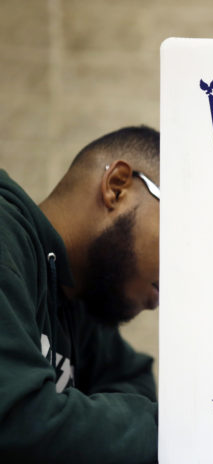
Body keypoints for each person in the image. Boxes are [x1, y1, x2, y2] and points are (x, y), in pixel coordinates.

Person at [0, 126, 160, 463]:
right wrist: (183, 430)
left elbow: (131, 374)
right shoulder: (5, 240)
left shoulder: (77, 296)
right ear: (117, 187)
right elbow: (18, 425)